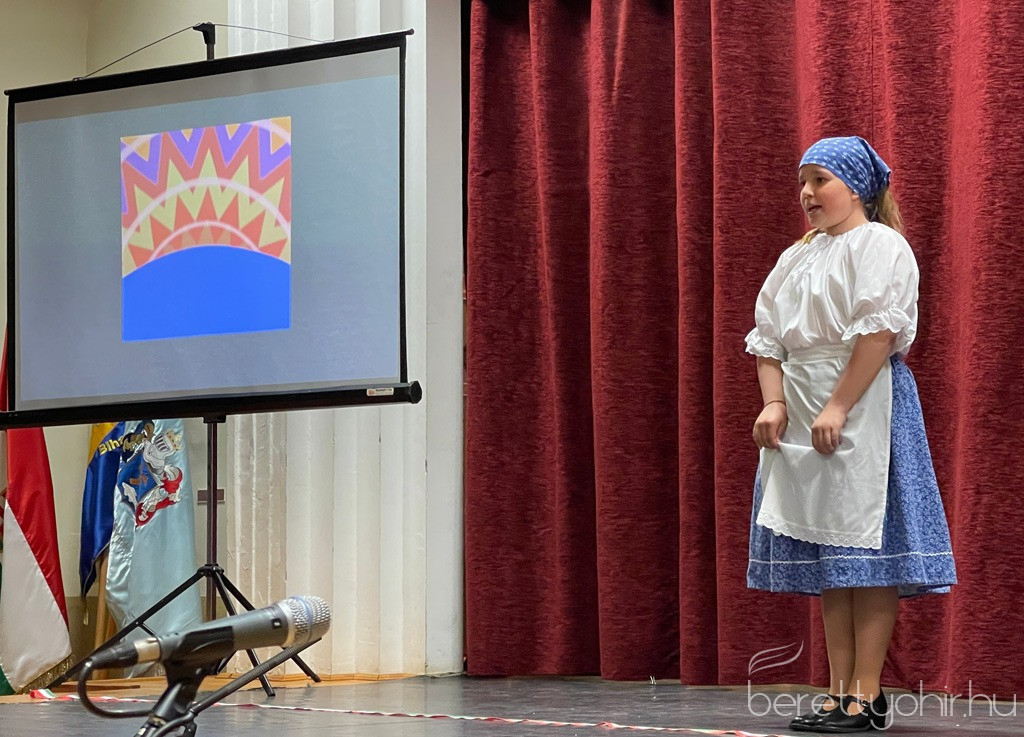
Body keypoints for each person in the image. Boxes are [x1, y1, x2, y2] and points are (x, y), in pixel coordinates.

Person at [744, 136, 957, 733]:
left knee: (868, 557)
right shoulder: (797, 256)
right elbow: (769, 339)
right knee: (831, 558)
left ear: (857, 187)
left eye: (820, 180)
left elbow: (878, 334)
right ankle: (839, 691)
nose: (807, 193)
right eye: (802, 182)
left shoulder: (880, 245)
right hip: (804, 410)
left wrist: (838, 405)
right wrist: (775, 401)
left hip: (866, 408)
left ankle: (867, 693)